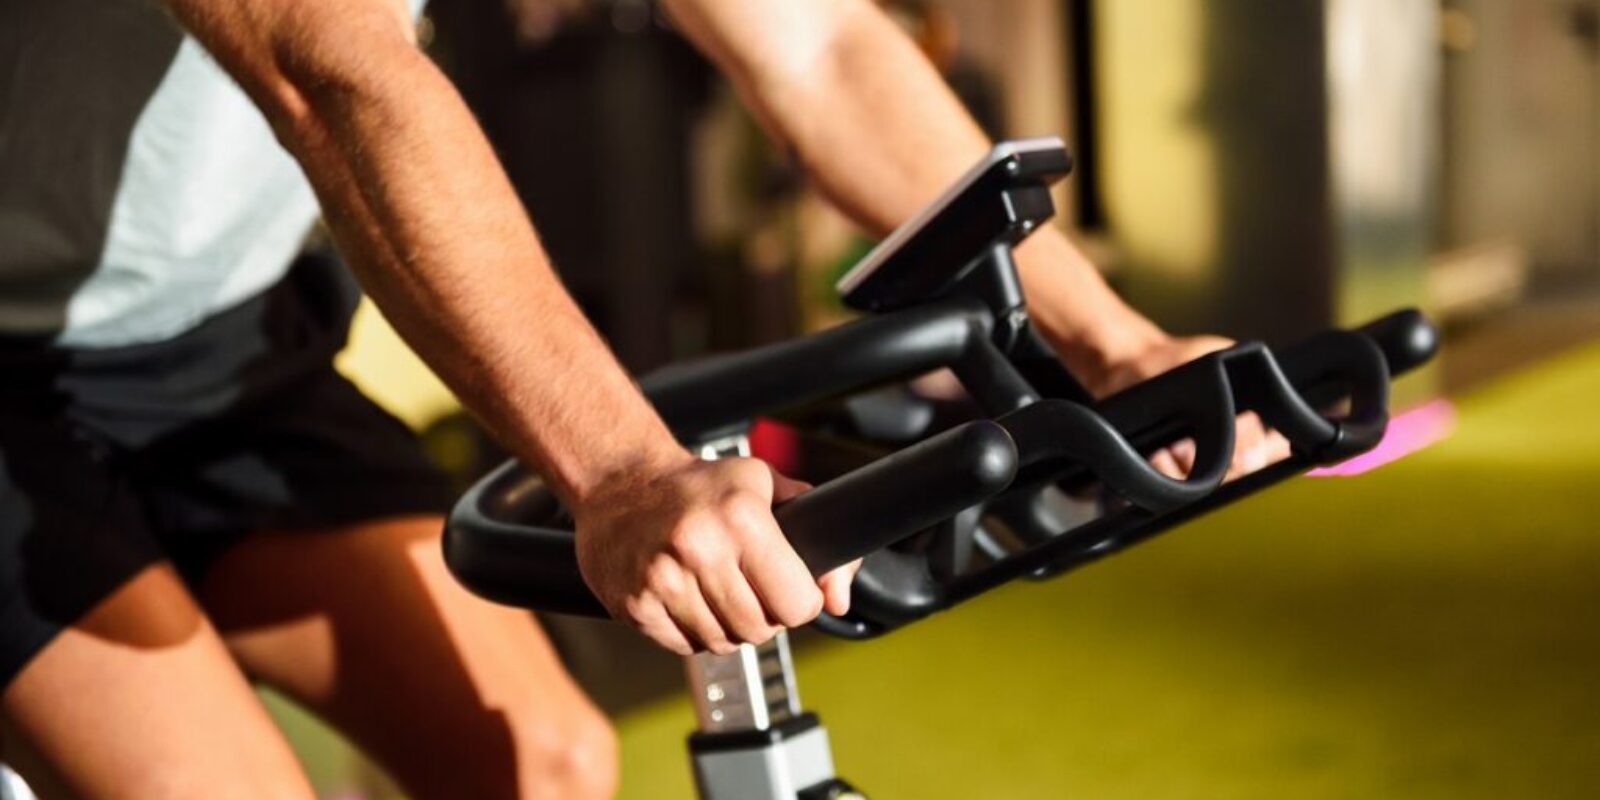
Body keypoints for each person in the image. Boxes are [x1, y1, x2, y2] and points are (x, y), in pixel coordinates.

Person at [0, 0, 1285, 797]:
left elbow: (821, 45)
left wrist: (1112, 344)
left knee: (543, 763)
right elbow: (333, 79)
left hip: (209, 342)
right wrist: (619, 467)